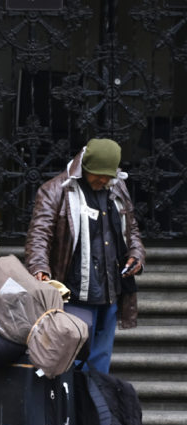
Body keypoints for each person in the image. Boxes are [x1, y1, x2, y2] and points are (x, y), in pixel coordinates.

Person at [24, 138, 145, 374]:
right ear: (84, 168)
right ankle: (70, 409)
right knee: (72, 360)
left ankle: (94, 408)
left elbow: (132, 230)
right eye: (97, 175)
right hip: (75, 295)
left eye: (108, 175)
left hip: (110, 292)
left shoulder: (117, 187)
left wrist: (136, 255)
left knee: (100, 363)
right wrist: (39, 267)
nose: (103, 180)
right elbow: (39, 235)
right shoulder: (55, 190)